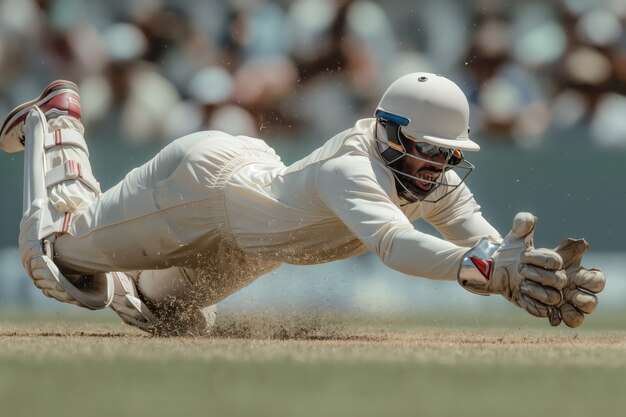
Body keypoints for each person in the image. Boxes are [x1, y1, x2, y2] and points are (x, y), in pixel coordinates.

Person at [1, 73, 605, 336]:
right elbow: (396, 246)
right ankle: (58, 119)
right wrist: (482, 271)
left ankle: (120, 252)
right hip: (206, 189)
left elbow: (482, 240)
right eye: (427, 152)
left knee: (160, 315)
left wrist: (518, 265)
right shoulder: (352, 166)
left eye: (448, 155)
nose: (438, 168)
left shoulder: (435, 177)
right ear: (391, 134)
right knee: (61, 265)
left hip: (252, 246)